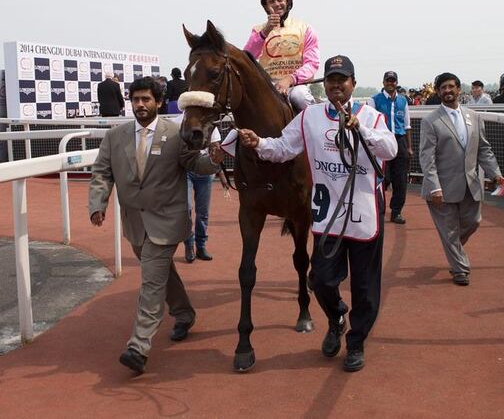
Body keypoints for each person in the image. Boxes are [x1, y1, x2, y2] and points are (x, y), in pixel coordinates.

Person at [237, 55, 397, 372]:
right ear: (325, 84)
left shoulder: (372, 116)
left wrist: (360, 129)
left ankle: (356, 342)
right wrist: (258, 143)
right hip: (328, 217)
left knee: (365, 289)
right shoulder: (309, 117)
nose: (337, 85)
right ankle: (336, 315)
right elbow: (283, 147)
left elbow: (389, 149)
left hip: (364, 216)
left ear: (353, 83)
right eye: (331, 79)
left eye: (343, 79)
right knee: (321, 280)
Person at [88, 76, 223, 375]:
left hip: (167, 219)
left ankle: (139, 345)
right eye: (136, 99)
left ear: (159, 102)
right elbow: (101, 173)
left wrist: (214, 159)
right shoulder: (116, 137)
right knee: (162, 274)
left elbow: (196, 166)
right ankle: (184, 313)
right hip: (134, 222)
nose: (140, 105)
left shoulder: (176, 135)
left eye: (146, 99)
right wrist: (98, 203)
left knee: (151, 280)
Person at [419, 72, 504, 286]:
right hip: (441, 187)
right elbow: (426, 157)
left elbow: (484, 149)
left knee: (473, 222)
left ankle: (453, 249)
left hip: (470, 184)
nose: (447, 91)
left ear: (459, 90)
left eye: (451, 87)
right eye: (443, 88)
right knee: (449, 231)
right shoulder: (431, 121)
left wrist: (495, 173)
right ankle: (460, 269)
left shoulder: (474, 117)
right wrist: (433, 186)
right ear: (438, 92)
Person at [243, 0, 319, 112]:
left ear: (287, 2)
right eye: (271, 1)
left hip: (296, 86)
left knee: (300, 96)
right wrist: (266, 31)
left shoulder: (305, 28)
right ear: (266, 7)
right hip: (267, 87)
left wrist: (290, 79)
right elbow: (246, 57)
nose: (277, 4)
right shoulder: (258, 30)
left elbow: (312, 64)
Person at [173, 113, 222, 263]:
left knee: (203, 212)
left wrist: (220, 172)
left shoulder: (209, 122)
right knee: (186, 208)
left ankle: (201, 246)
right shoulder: (176, 123)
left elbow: (215, 148)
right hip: (186, 170)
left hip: (205, 171)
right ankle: (189, 245)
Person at [369, 71, 412, 224]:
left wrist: (409, 147)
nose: (390, 83)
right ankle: (377, 209)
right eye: (388, 81)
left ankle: (396, 211)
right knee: (382, 178)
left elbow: (407, 125)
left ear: (396, 83)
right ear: (383, 82)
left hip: (400, 140)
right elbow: (370, 124)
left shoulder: (403, 101)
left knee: (400, 180)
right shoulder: (374, 100)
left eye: (393, 81)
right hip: (382, 140)